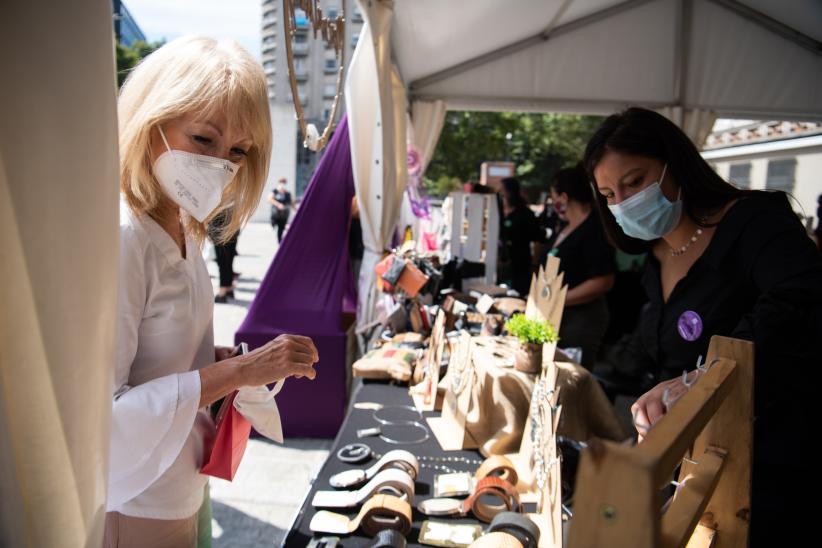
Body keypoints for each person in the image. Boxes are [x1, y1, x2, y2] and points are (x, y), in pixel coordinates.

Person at [111, 36, 319, 547]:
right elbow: (101, 416)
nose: (221, 164)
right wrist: (240, 372)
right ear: (151, 121)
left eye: (239, 151)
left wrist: (217, 362)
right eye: (204, 140)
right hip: (137, 497)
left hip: (186, 478)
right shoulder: (124, 236)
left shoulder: (182, 226)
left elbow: (162, 356)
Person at [584, 106, 822, 543]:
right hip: (700, 465)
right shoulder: (655, 260)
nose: (624, 201)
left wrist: (698, 380)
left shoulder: (754, 223)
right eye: (610, 195)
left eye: (635, 181)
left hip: (775, 460)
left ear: (675, 164)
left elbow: (799, 300)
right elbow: (661, 362)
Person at [544, 164, 616, 369]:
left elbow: (603, 281)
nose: (553, 203)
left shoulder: (594, 229)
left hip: (581, 320)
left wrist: (560, 299)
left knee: (571, 379)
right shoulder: (566, 227)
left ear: (564, 197)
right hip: (559, 315)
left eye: (554, 197)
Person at [499, 177, 542, 296]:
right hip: (502, 265)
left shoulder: (526, 214)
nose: (501, 194)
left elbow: (538, 239)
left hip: (521, 264)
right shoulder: (499, 213)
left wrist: (534, 264)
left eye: (503, 191)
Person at [208, 209, 239, 303]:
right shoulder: (234, 195)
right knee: (228, 261)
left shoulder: (218, 196)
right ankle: (228, 288)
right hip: (232, 227)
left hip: (220, 229)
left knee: (223, 262)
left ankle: (222, 291)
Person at [269, 177, 292, 242]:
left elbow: (291, 203)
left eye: (284, 183)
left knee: (281, 229)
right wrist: (278, 204)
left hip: (284, 215)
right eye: (282, 182)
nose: (283, 184)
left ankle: (280, 243)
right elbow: (269, 199)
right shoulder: (275, 191)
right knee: (274, 222)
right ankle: (274, 223)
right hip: (276, 214)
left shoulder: (287, 193)